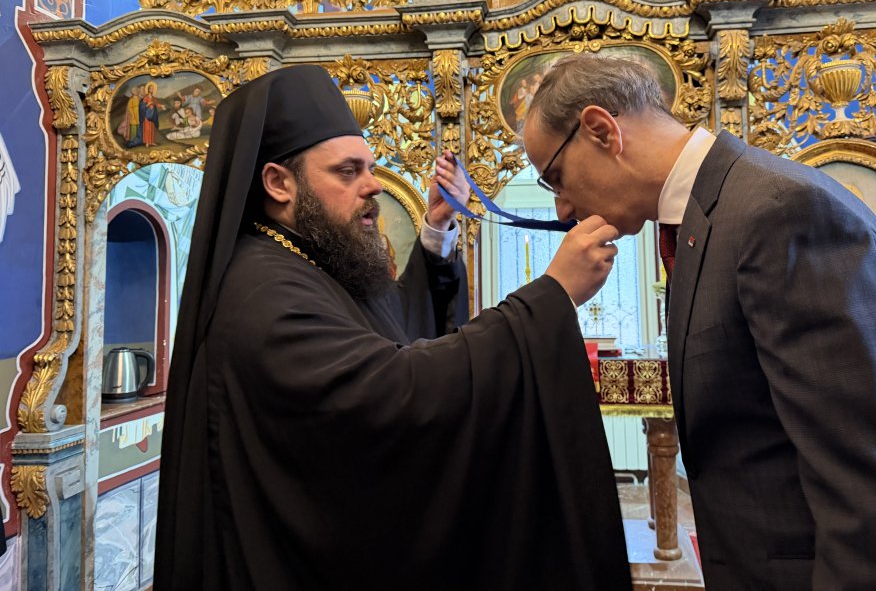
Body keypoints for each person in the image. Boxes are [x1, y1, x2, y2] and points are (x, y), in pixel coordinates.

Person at [521, 55, 876, 590]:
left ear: (601, 130)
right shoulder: (713, 214)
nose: (563, 210)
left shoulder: (781, 213)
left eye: (556, 179)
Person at [154, 64, 631, 590]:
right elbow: (391, 391)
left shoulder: (304, 259)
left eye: (370, 168)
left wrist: (437, 229)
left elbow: (392, 323)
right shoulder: (261, 290)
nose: (373, 186)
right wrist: (551, 296)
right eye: (348, 172)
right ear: (278, 183)